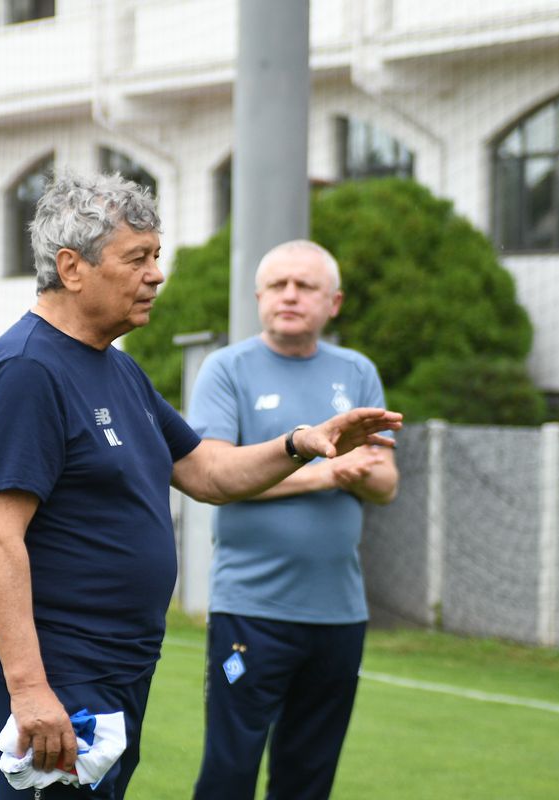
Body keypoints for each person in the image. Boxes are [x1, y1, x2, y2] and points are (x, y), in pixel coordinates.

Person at [0, 171, 402, 800]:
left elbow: (207, 472)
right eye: (138, 258)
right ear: (71, 266)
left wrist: (300, 443)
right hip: (61, 672)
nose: (157, 275)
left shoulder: (116, 366)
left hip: (118, 666)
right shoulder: (28, 370)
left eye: (156, 257)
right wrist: (31, 690)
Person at [188, 240, 399, 800]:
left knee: (309, 777)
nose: (289, 295)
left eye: (305, 286)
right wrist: (325, 468)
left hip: (339, 616)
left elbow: (386, 481)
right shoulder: (226, 369)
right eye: (277, 285)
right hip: (250, 612)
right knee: (229, 771)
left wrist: (359, 470)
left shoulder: (357, 372)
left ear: (334, 302)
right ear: (258, 297)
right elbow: (215, 475)